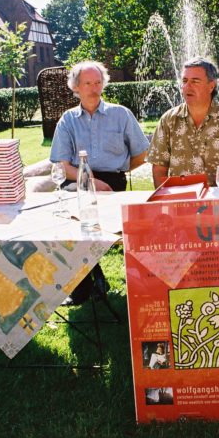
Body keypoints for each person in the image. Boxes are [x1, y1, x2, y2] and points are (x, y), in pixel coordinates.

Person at [50, 60, 150, 304]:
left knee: (91, 225)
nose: (94, 88)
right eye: (88, 83)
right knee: (73, 224)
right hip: (77, 180)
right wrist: (90, 180)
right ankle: (89, 282)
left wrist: (122, 170)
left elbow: (141, 152)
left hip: (112, 181)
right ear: (76, 87)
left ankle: (88, 285)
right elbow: (62, 166)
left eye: (98, 83)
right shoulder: (68, 119)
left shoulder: (121, 114)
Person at [148, 57, 219, 187]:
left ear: (211, 86)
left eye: (195, 81)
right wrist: (170, 199)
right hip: (181, 201)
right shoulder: (168, 120)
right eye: (185, 81)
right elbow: (159, 169)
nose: (188, 86)